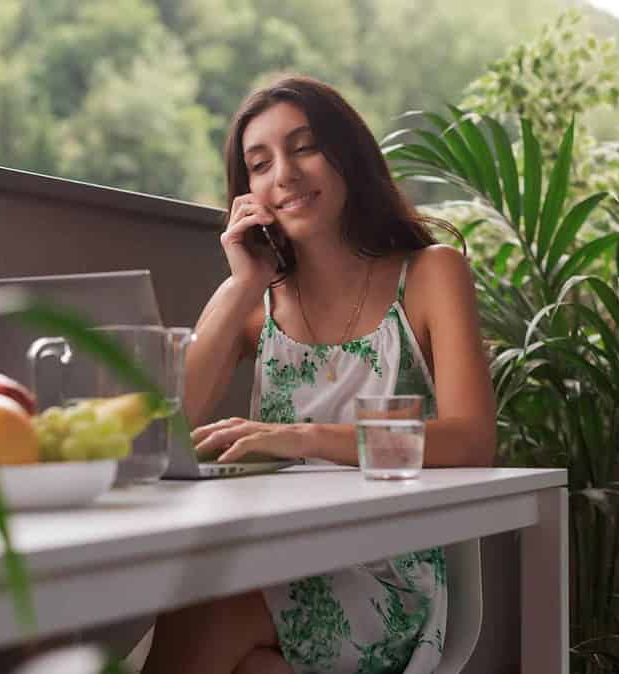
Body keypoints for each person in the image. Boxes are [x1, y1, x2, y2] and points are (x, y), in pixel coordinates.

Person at [143, 75, 496, 674]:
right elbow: (163, 429)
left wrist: (304, 438)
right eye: (260, 163)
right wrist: (243, 284)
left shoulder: (431, 273)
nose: (283, 174)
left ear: (347, 156)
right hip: (274, 560)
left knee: (204, 615)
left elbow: (471, 441)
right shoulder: (257, 300)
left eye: (304, 147)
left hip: (388, 573)